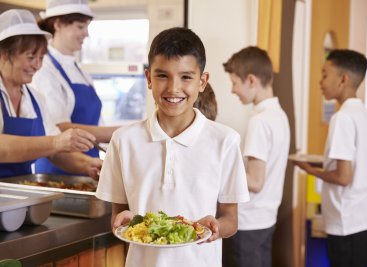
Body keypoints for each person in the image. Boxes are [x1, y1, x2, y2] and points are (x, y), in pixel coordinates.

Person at [95, 27, 250, 267]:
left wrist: (216, 226)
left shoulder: (225, 141)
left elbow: (231, 219)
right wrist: (123, 220)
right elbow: (120, 213)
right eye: (162, 76)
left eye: (186, 77)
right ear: (148, 78)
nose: (173, 88)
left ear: (202, 81)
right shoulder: (124, 140)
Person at [293, 49, 367, 267]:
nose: (320, 81)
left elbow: (343, 177)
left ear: (343, 79)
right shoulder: (366, 115)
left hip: (347, 221)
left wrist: (308, 169)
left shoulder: (342, 118)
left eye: (325, 74)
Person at [0, 9, 101, 179]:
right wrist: (56, 142)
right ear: (3, 54)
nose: (37, 66)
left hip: (18, 194)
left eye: (41, 58)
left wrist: (87, 165)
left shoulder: (34, 98)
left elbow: (54, 152)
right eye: (31, 57)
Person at [31, 0, 118, 175]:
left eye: (86, 27)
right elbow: (59, 128)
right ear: (58, 24)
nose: (86, 34)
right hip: (58, 168)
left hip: (90, 164)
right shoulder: (44, 68)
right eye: (80, 26)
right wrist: (118, 133)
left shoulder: (80, 71)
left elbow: (97, 122)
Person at [221, 46, 290, 267]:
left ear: (251, 80)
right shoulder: (279, 115)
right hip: (266, 219)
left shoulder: (259, 122)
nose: (233, 90)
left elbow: (256, 182)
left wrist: (220, 167)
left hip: (249, 223)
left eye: (234, 83)